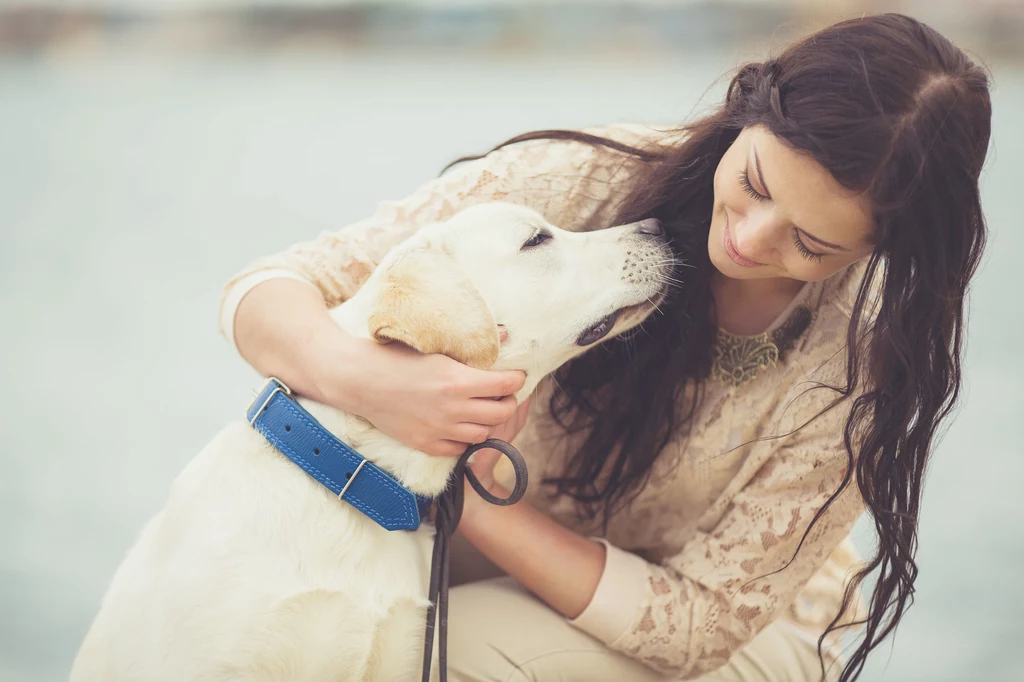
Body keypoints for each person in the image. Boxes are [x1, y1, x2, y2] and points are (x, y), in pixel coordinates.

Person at [219, 13, 992, 682]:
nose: (751, 240)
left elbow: (697, 626)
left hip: (735, 644)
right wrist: (362, 381)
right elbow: (271, 287)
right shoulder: (584, 183)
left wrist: (469, 487)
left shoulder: (862, 361)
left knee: (430, 653)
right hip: (489, 559)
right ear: (746, 107)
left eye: (812, 243)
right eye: (755, 184)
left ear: (879, 249)